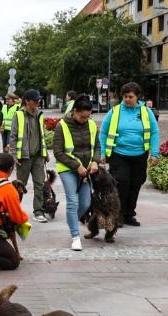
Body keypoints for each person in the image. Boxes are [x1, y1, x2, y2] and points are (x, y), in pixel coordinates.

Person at [99, 82, 160, 227]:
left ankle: (129, 214)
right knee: (121, 183)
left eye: (131, 97)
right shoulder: (114, 112)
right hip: (119, 154)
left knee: (136, 184)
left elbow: (154, 132)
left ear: (138, 97)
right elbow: (103, 132)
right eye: (125, 96)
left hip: (140, 154)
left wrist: (155, 153)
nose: (127, 99)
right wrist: (102, 152)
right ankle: (117, 215)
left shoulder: (146, 112)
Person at [53, 95, 100, 250]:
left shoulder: (92, 125)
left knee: (86, 203)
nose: (85, 119)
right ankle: (75, 236)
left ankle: (71, 219)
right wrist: (76, 166)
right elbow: (58, 152)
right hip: (67, 168)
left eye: (88, 116)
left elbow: (97, 147)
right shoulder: (62, 126)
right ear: (74, 111)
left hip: (86, 169)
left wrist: (95, 161)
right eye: (82, 116)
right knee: (72, 202)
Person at [9, 89, 50, 223]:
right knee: (20, 186)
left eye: (39, 100)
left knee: (40, 184)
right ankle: (14, 211)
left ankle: (38, 211)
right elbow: (13, 136)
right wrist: (14, 155)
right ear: (27, 101)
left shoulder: (40, 114)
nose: (38, 102)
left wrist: (45, 153)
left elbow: (42, 135)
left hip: (38, 156)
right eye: (35, 100)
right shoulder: (19, 115)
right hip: (24, 157)